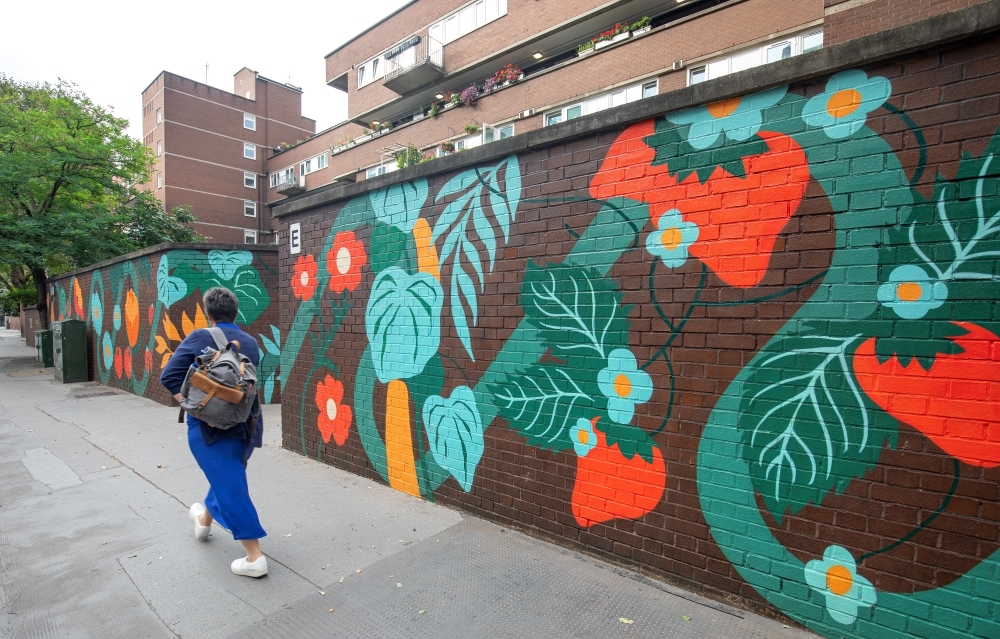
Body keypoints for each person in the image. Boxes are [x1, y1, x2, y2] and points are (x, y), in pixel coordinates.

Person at [159, 287, 268, 578]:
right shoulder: (251, 343)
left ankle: (254, 557)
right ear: (235, 313)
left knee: (230, 483)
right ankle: (203, 521)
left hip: (207, 428)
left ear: (209, 313)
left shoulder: (199, 337)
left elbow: (168, 376)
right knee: (228, 475)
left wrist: (189, 405)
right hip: (246, 424)